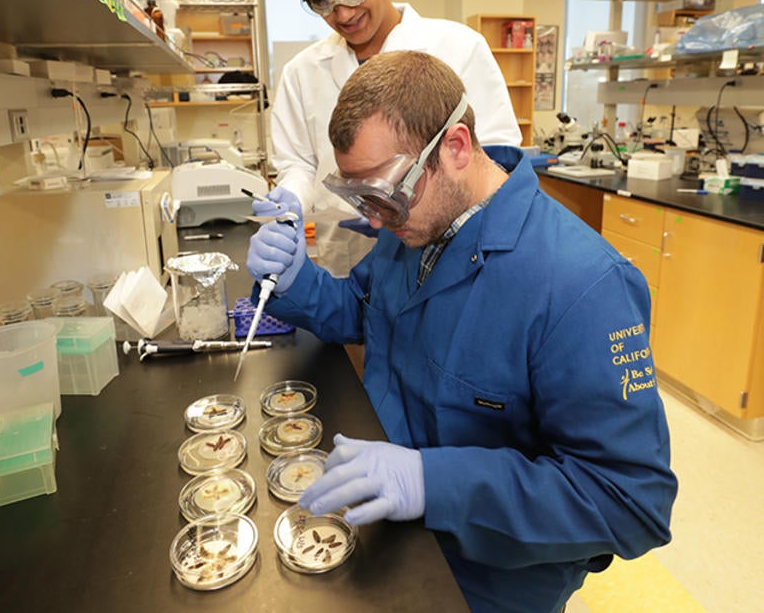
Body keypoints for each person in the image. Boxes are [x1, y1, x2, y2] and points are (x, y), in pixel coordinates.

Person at [246, 51, 678, 613]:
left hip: (489, 576)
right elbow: (365, 309)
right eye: (359, 196)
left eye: (383, 192)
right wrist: (296, 281)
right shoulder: (417, 223)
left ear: (454, 146)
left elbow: (630, 501)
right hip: (388, 529)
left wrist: (434, 483)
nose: (374, 219)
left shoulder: (583, 285)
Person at [265, 0, 522, 277]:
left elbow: (497, 158)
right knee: (354, 332)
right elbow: (297, 164)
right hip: (346, 253)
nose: (344, 14)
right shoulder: (302, 72)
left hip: (445, 249)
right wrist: (291, 202)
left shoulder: (458, 47)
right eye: (322, 0)